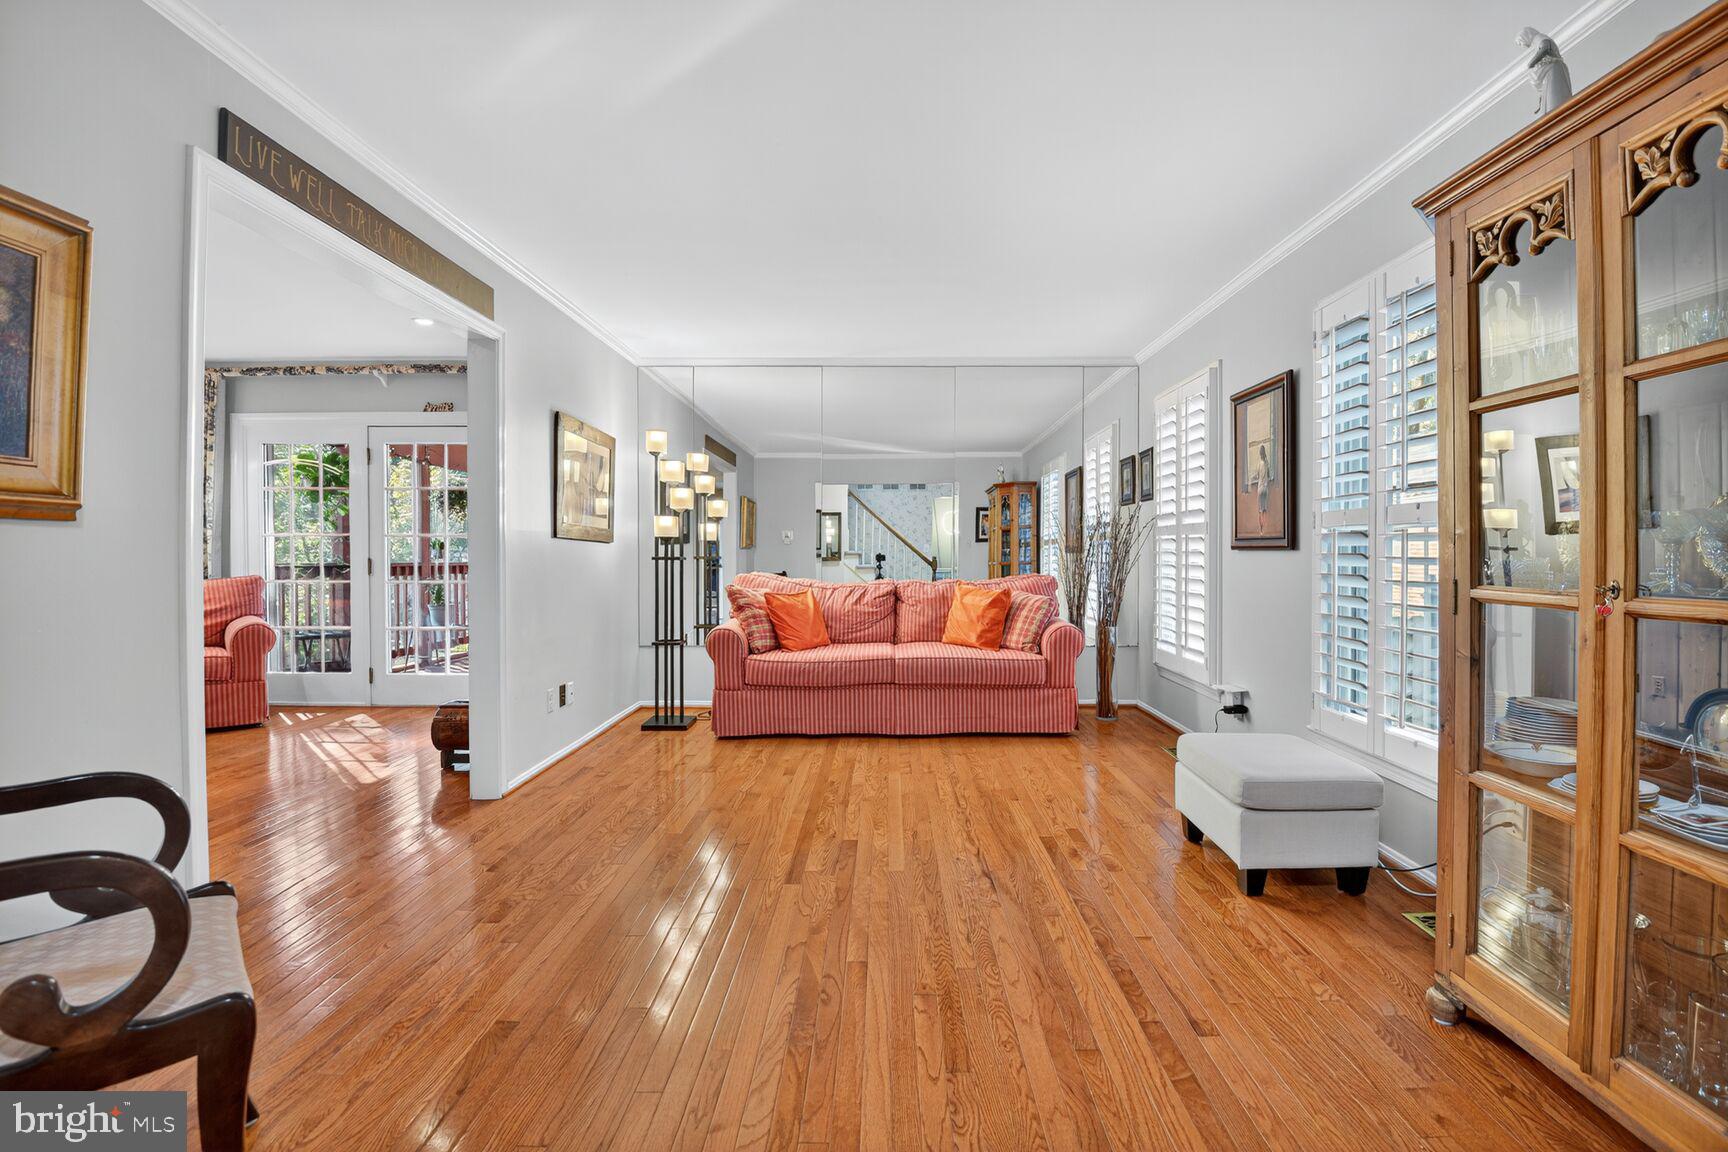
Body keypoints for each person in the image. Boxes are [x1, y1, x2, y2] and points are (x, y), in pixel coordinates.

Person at [1519, 27, 1572, 118]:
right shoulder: (1536, 42)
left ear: (1526, 35)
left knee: (1554, 95)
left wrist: (1531, 63)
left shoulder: (1539, 37)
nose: (1522, 45)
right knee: (1550, 95)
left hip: (1552, 70)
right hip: (1550, 72)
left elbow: (1545, 47)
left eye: (1521, 42)